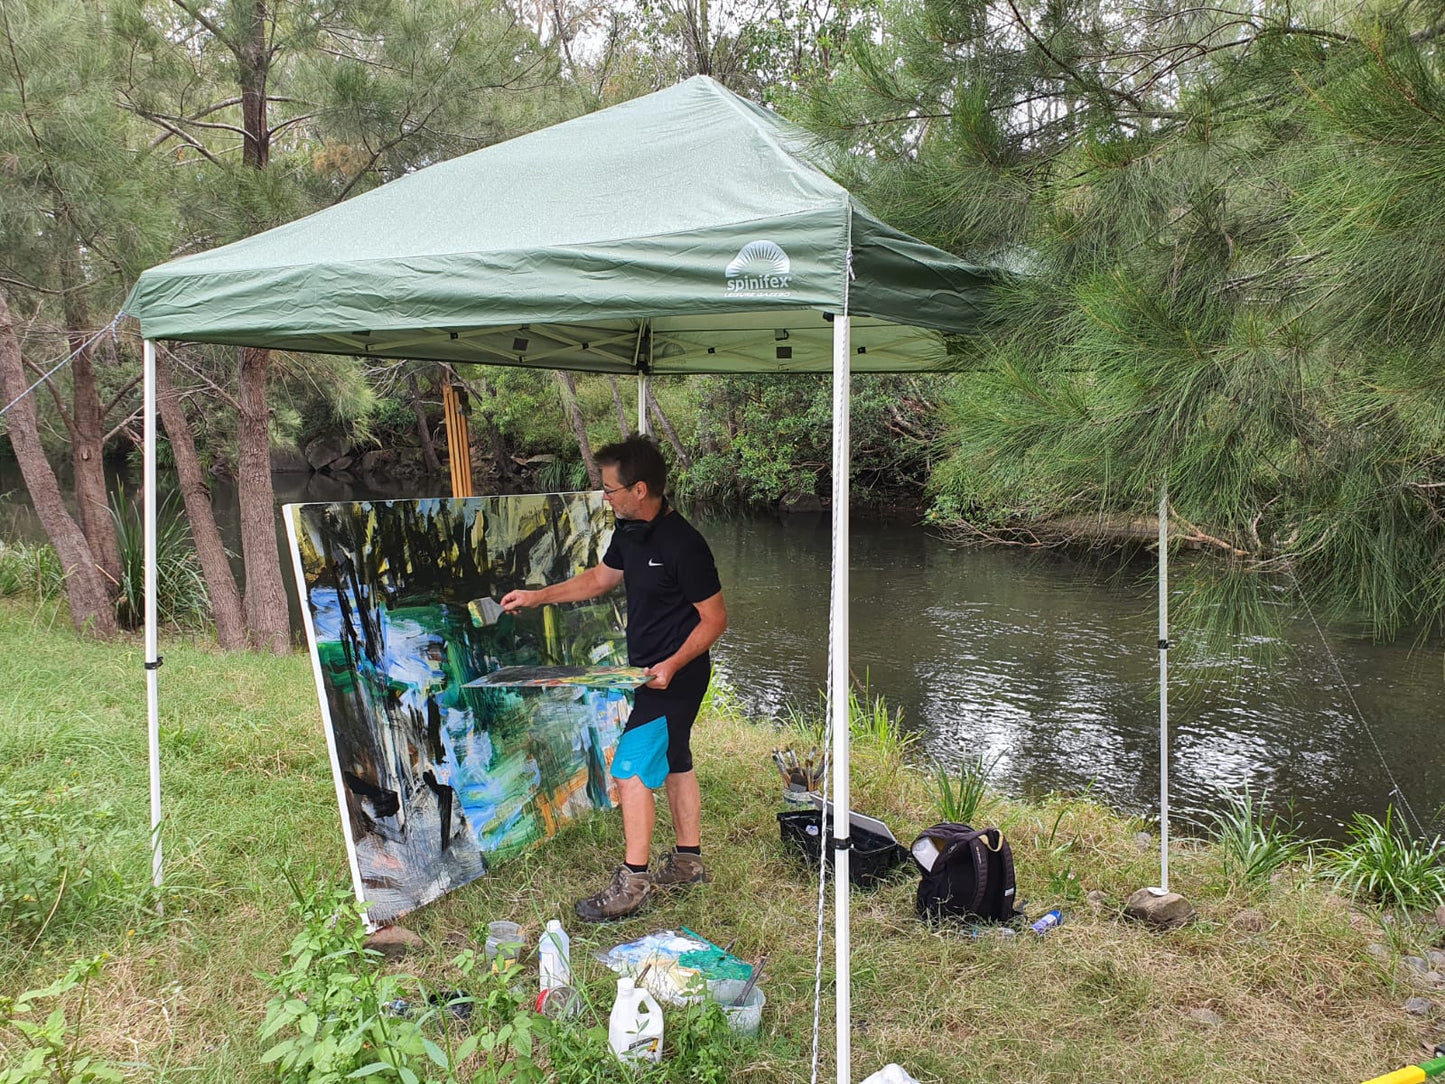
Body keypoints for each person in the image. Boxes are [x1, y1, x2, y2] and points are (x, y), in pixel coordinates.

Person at [499, 435, 727, 921]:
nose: (605, 497)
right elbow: (599, 580)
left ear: (639, 489)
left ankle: (633, 882)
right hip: (646, 674)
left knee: (628, 769)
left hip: (676, 677)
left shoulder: (684, 544)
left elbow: (715, 620)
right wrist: (537, 597)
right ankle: (688, 863)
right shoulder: (630, 533)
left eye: (610, 489)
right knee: (677, 759)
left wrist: (672, 665)